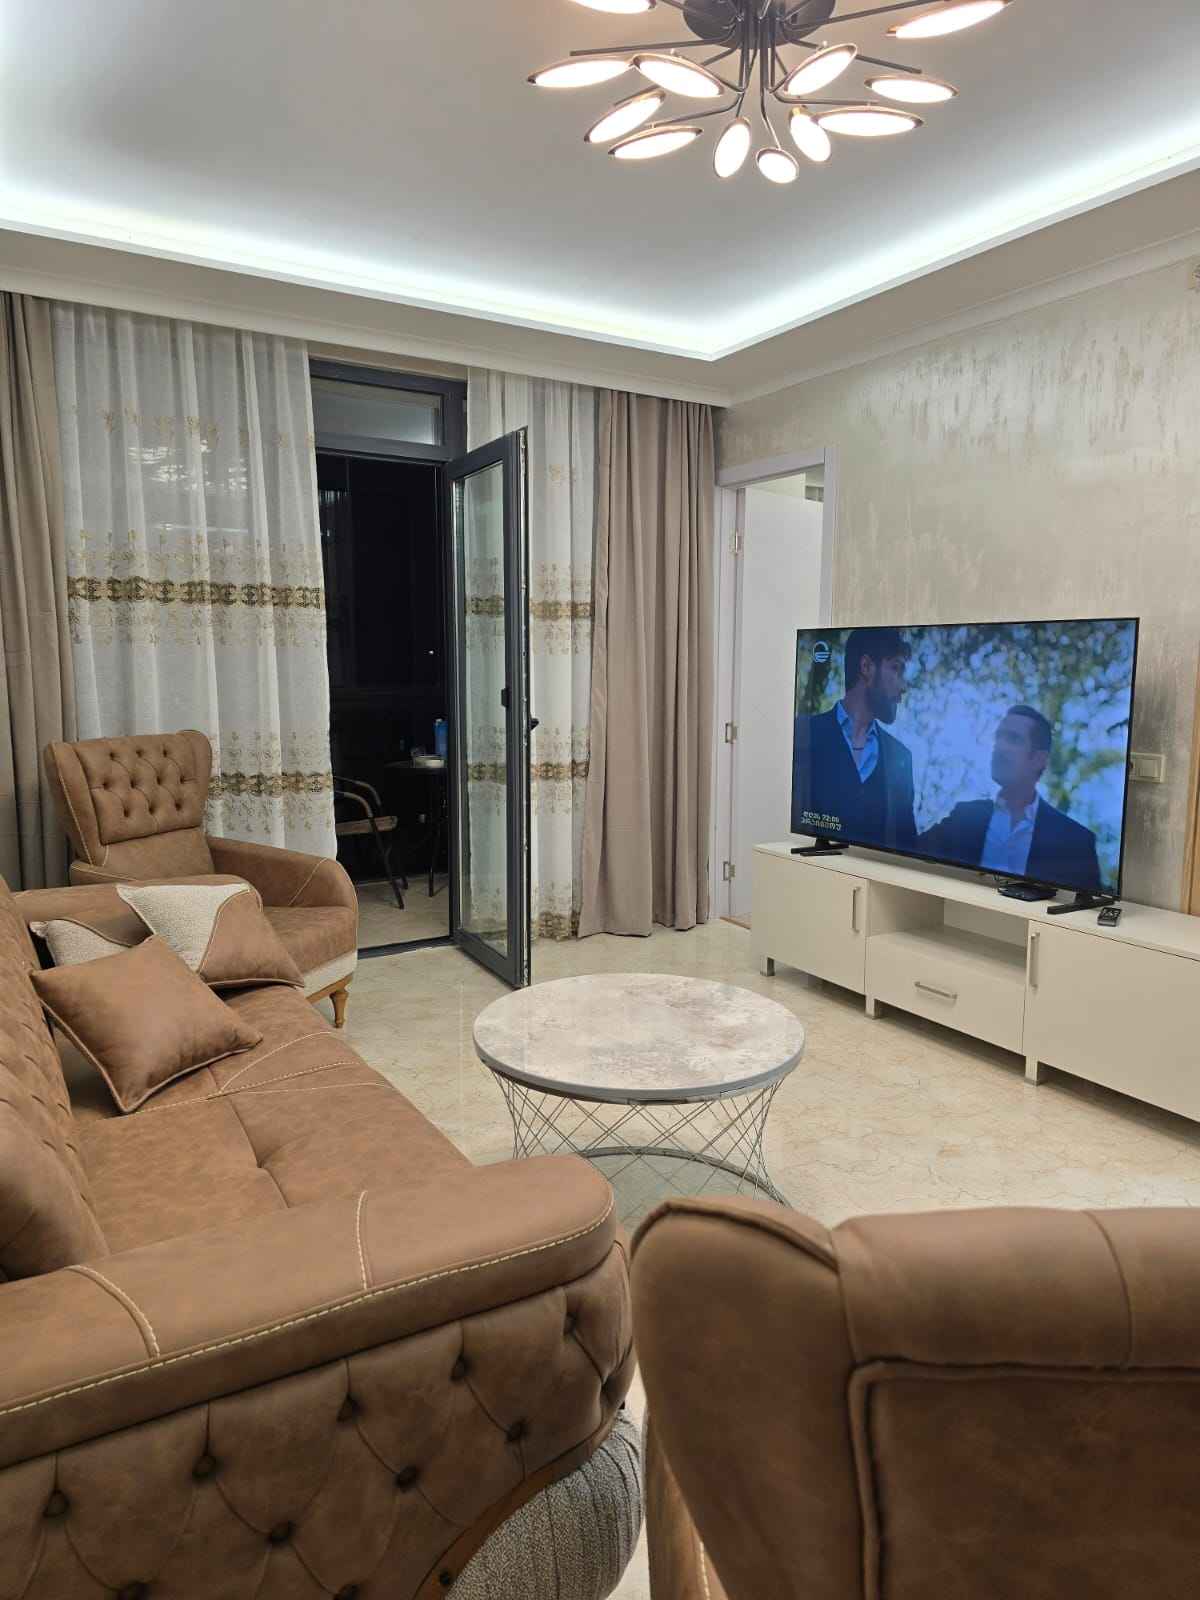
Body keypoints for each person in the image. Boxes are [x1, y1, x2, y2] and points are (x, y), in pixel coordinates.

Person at [918, 705, 1102, 891]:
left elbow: (1087, 902)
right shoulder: (964, 817)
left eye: (1013, 739)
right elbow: (911, 853)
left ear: (1039, 759)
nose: (999, 747)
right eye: (998, 737)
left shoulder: (1075, 841)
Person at [792, 627, 917, 851]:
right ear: (866, 667)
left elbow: (907, 845)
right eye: (896, 668)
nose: (903, 687)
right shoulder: (803, 732)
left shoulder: (901, 758)